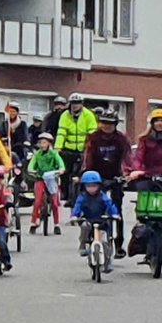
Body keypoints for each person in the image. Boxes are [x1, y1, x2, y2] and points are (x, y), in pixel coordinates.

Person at [124, 108, 162, 264]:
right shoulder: (144, 139)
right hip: (148, 176)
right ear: (152, 123)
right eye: (157, 121)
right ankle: (142, 243)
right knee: (145, 212)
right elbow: (138, 156)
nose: (160, 123)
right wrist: (137, 170)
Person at [81, 110, 131, 258]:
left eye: (110, 123)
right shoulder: (93, 138)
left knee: (117, 210)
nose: (107, 126)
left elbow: (127, 157)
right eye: (104, 123)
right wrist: (87, 174)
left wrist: (126, 173)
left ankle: (119, 244)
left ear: (115, 124)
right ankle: (89, 236)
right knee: (92, 207)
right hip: (96, 177)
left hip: (115, 176)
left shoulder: (121, 139)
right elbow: (87, 157)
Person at [71, 170, 120, 272]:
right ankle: (83, 244)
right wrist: (74, 216)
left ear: (99, 186)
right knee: (84, 226)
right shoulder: (82, 197)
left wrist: (114, 214)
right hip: (88, 220)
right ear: (84, 187)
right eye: (88, 186)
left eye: (94, 186)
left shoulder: (103, 197)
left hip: (102, 222)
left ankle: (107, 263)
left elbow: (110, 205)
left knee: (106, 243)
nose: (91, 188)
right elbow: (77, 207)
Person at [55, 94, 97, 207]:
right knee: (64, 172)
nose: (75, 106)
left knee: (80, 173)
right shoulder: (65, 115)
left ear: (82, 104)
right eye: (73, 103)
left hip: (83, 149)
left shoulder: (88, 115)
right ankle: (66, 195)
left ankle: (79, 196)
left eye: (77, 103)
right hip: (68, 148)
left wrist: (91, 148)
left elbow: (92, 134)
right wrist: (57, 148)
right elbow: (61, 132)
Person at [26, 133, 65, 235]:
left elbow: (61, 164)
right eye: (40, 143)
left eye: (44, 142)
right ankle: (34, 222)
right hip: (40, 178)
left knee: (55, 202)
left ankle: (57, 224)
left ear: (49, 144)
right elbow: (31, 165)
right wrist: (31, 170)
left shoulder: (54, 154)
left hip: (52, 179)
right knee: (38, 201)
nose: (42, 145)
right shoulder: (37, 154)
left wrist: (60, 170)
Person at [0, 102, 28, 166]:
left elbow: (25, 135)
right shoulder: (5, 123)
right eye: (10, 111)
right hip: (7, 146)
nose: (12, 113)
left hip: (19, 147)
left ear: (17, 113)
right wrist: (3, 139)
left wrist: (26, 141)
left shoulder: (22, 124)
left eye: (14, 111)